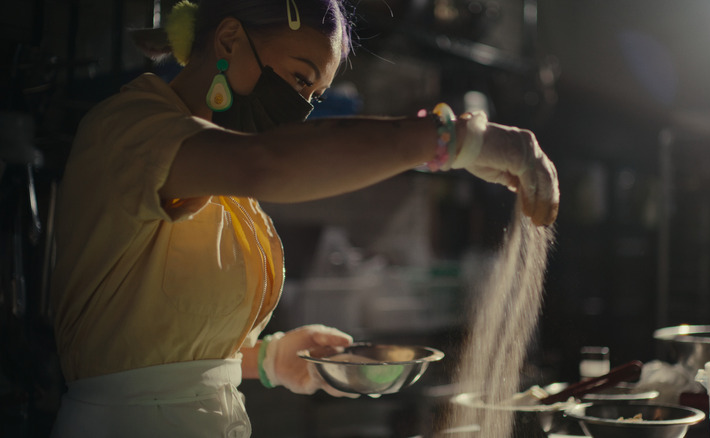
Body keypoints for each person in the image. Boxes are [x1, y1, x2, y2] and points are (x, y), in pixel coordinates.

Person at [49, 0, 559, 436]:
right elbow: (269, 163)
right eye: (299, 78)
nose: (300, 108)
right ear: (229, 39)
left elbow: (162, 349)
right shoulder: (132, 131)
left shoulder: (222, 176)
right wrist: (455, 139)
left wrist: (269, 359)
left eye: (314, 97)